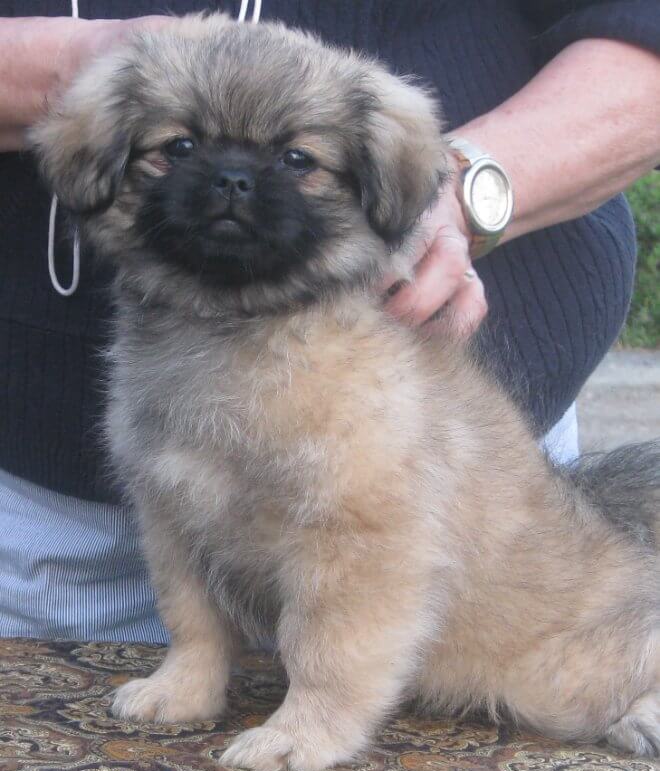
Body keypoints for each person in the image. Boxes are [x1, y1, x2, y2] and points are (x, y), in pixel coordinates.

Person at [0, 0, 658, 643]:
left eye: (295, 160)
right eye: (180, 148)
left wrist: (458, 190)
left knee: (514, 668)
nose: (234, 180)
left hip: (468, 508)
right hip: (55, 529)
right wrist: (64, 66)